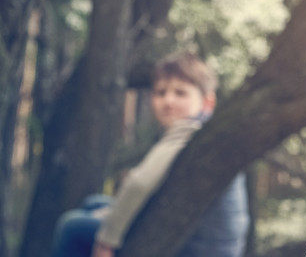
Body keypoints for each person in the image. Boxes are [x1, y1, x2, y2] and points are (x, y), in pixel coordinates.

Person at [50, 52, 250, 257]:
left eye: (180, 93)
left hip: (196, 249)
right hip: (209, 244)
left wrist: (106, 240)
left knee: (71, 227)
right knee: (95, 203)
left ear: (207, 102)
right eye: (160, 93)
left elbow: (139, 184)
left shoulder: (190, 129)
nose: (168, 101)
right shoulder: (206, 130)